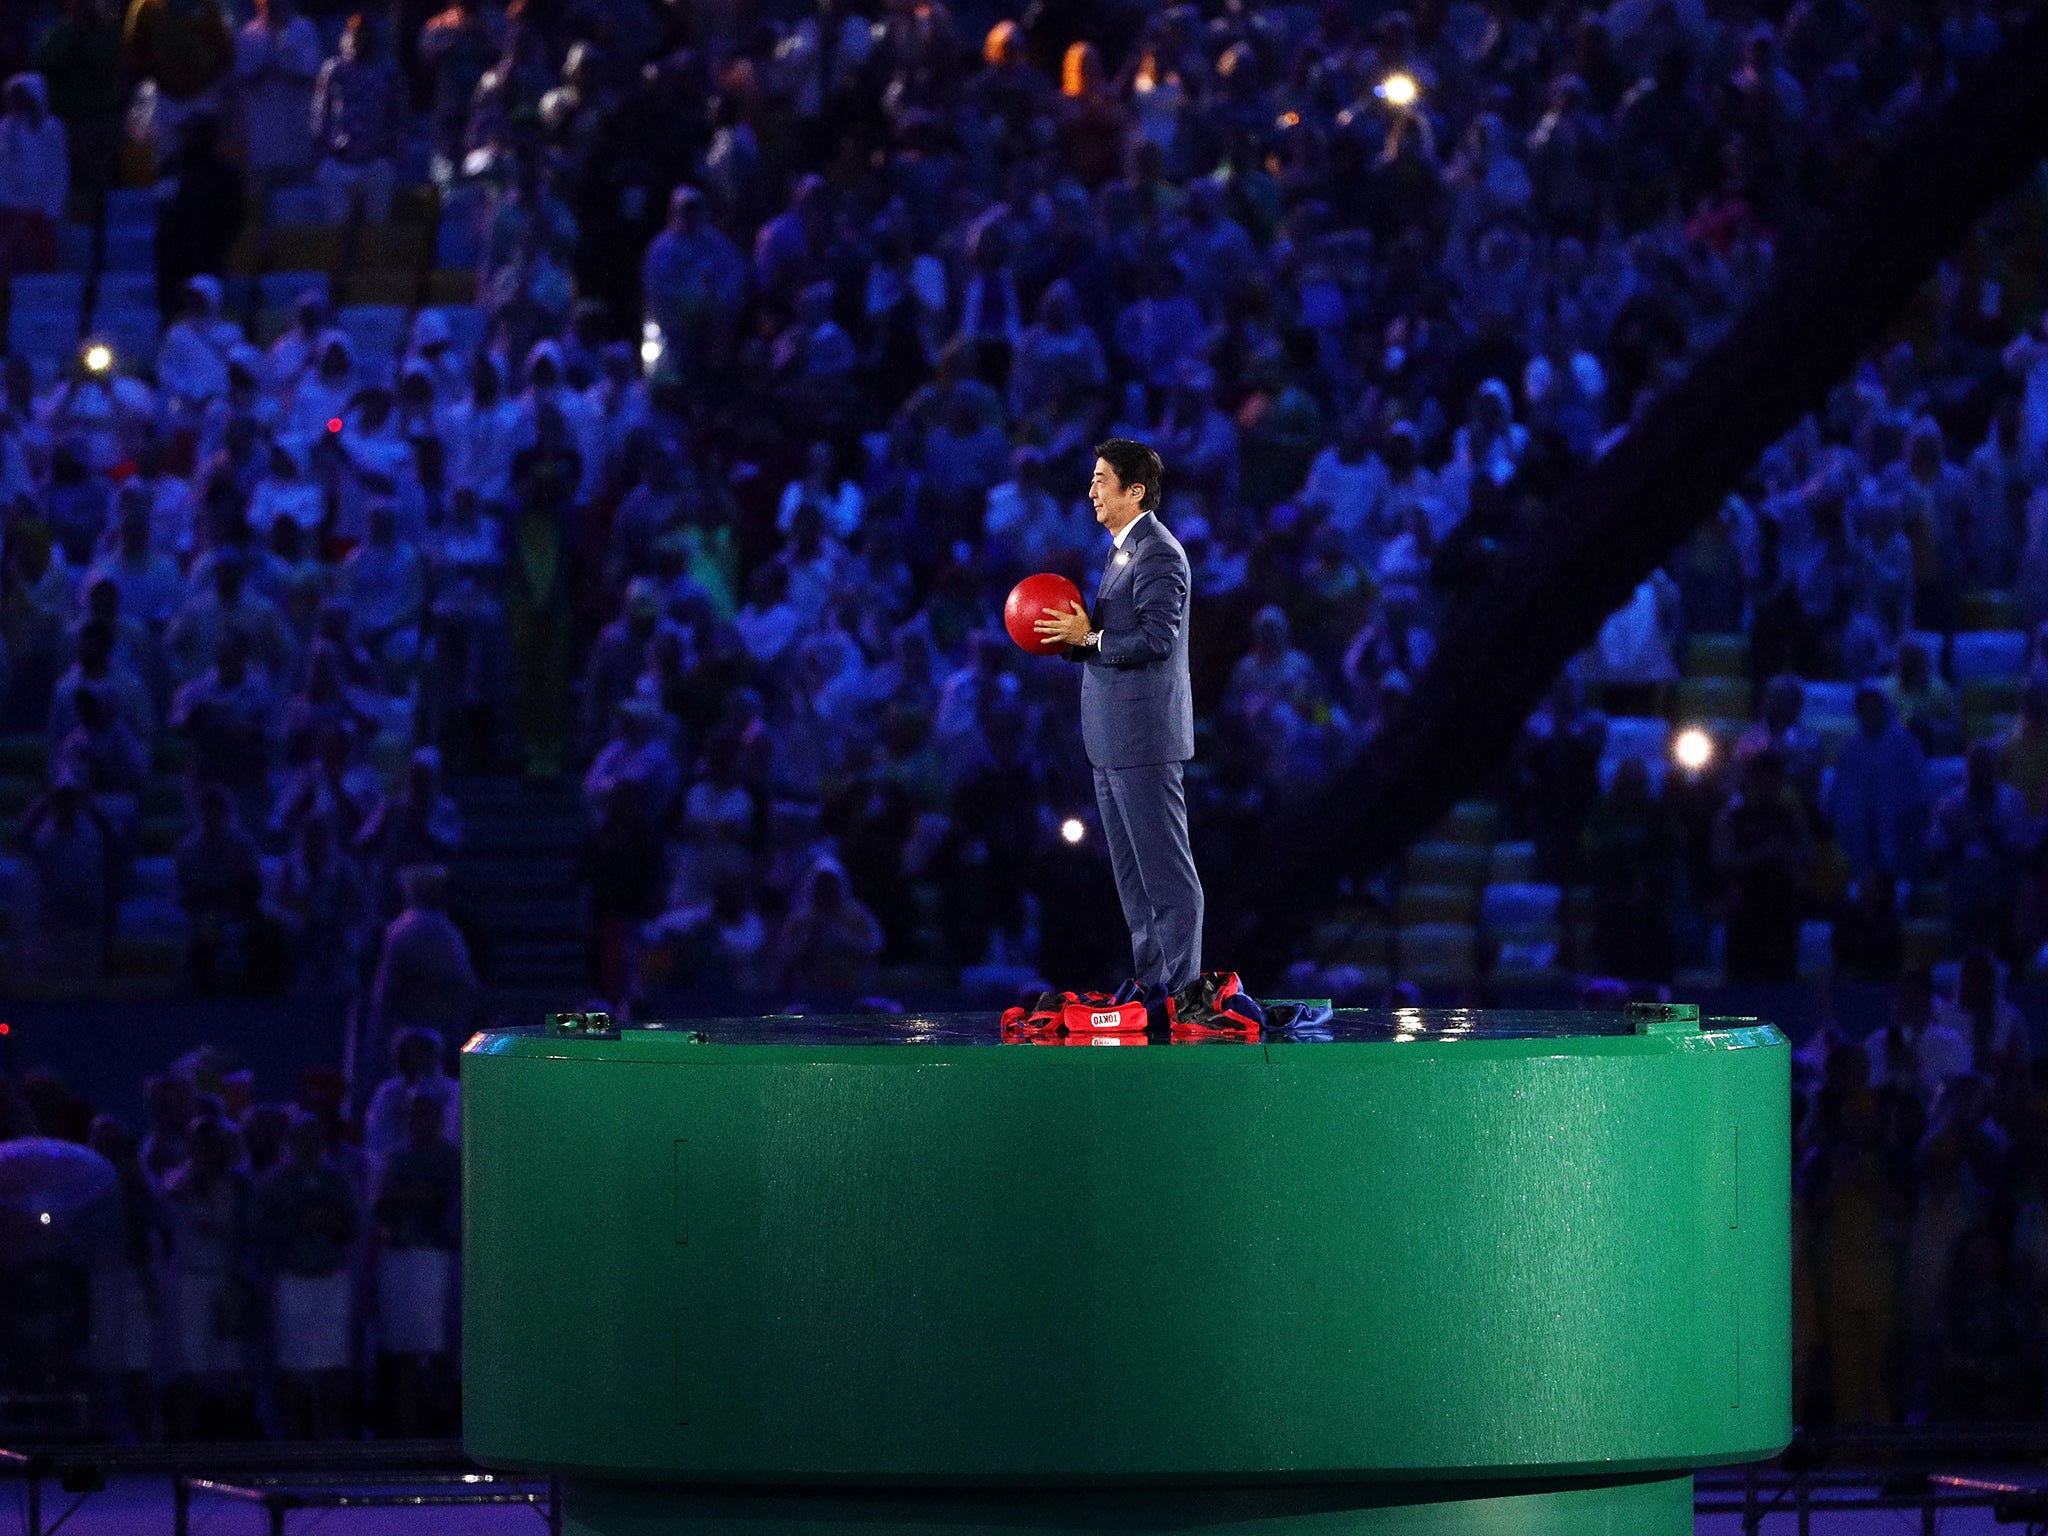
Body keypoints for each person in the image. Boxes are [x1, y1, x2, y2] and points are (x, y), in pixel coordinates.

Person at [1033, 438, 1203, 1000]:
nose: (1091, 490)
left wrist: (1093, 637)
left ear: (1135, 491)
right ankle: (1153, 983)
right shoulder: (1122, 550)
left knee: (1165, 872)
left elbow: (1158, 637)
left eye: (1102, 479)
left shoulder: (1158, 551)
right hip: (1110, 740)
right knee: (1133, 878)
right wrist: (1076, 640)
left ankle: (1180, 992)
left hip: (1144, 738)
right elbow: (1106, 636)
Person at [253, 1111, 359, 1438]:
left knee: (332, 1368)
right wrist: (300, 1222)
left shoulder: (337, 1182)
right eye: (302, 1139)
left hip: (330, 1280)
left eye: (315, 1139)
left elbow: (352, 1227)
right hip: (292, 1281)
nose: (309, 1146)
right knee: (292, 1368)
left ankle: (330, 1439)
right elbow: (260, 1229)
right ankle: (296, 1442)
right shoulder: (274, 1183)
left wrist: (331, 1223)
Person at [310, 13, 406, 225]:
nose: (359, 39)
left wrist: (394, 152)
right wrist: (324, 150)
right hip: (340, 158)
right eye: (355, 34)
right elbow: (320, 114)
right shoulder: (333, 70)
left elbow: (399, 115)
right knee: (336, 225)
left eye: (364, 35)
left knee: (376, 226)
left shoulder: (388, 71)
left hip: (376, 159)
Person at [0, 75, 69, 277]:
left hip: (40, 207)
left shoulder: (51, 128)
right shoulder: (4, 129)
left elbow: (58, 172)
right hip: (9, 206)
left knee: (43, 256)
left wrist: (52, 209)